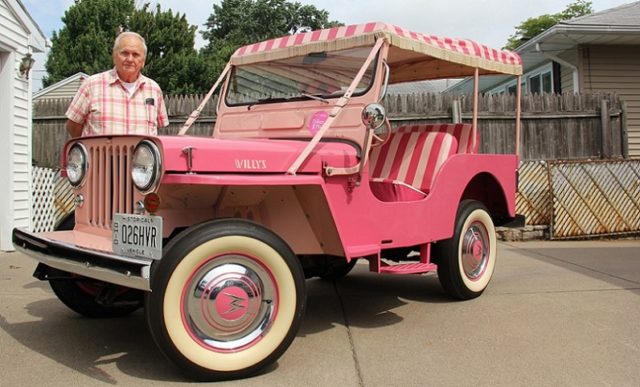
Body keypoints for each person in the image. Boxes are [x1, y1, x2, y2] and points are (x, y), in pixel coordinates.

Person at [65, 31, 169, 137]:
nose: (130, 59)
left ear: (143, 61)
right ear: (114, 56)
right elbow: (73, 125)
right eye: (124, 53)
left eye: (136, 54)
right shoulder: (92, 85)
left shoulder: (154, 89)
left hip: (142, 154)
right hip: (100, 154)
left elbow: (160, 128)